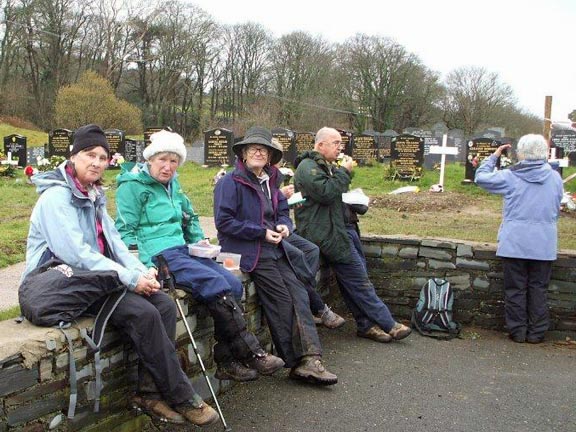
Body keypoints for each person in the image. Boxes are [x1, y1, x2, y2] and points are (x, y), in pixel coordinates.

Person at [22, 124, 218, 426]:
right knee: (143, 313)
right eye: (90, 155)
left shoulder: (93, 196)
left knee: (163, 303)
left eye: (103, 157)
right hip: (64, 283)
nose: (97, 162)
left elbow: (115, 246)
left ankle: (149, 392)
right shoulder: (56, 199)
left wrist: (142, 271)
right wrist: (129, 279)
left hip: (95, 280)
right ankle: (181, 395)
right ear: (73, 156)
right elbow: (78, 256)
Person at [114, 129, 284, 383]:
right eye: (162, 160)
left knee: (233, 283)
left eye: (173, 161)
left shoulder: (173, 185)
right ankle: (251, 351)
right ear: (150, 159)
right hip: (159, 255)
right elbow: (124, 231)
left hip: (183, 249)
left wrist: (198, 241)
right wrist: (143, 267)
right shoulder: (133, 187)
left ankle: (226, 360)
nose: (168, 166)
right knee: (214, 284)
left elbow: (189, 217)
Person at [214, 126, 338, 385]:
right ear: (244, 154)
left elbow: (282, 211)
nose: (259, 153)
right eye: (253, 149)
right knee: (281, 300)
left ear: (270, 156)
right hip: (249, 250)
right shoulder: (230, 183)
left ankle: (311, 359)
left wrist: (285, 225)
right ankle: (295, 362)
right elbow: (224, 223)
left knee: (300, 294)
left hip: (275, 246)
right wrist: (260, 233)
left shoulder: (271, 180)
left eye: (264, 150)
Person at [294, 127, 412, 343]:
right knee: (358, 278)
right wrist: (345, 172)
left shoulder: (324, 166)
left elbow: (334, 193)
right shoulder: (307, 167)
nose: (341, 147)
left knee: (353, 280)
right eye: (336, 143)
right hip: (326, 234)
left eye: (341, 143)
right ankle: (389, 324)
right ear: (320, 145)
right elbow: (327, 192)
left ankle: (366, 325)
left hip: (338, 228)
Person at [475, 134, 563, 343]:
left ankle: (518, 332)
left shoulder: (510, 176)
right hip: (544, 242)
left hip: (515, 242)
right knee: (538, 289)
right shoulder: (555, 178)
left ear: (522, 154)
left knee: (515, 289)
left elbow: (481, 177)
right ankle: (537, 333)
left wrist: (494, 156)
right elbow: (555, 208)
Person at [280, 183, 346, 329]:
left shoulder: (271, 175)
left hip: (280, 229)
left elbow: (280, 213)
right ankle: (318, 307)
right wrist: (280, 195)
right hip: (265, 234)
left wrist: (285, 203)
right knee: (297, 258)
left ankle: (306, 303)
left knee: (311, 250)